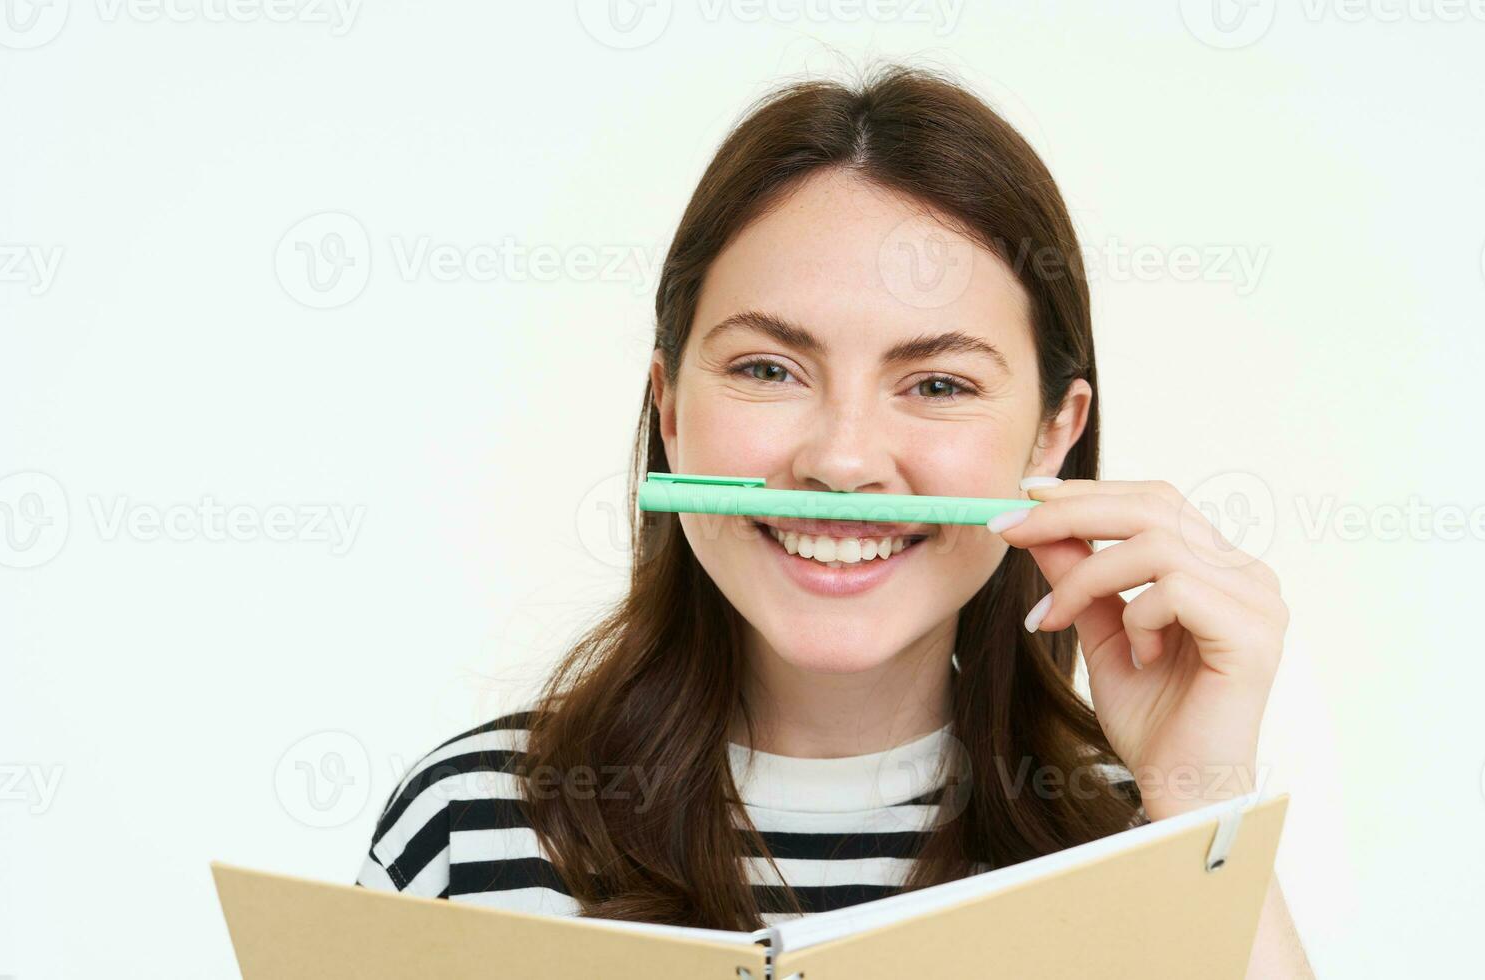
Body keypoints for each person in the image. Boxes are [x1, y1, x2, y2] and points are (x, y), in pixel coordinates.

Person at [359, 65, 1309, 975]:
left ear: (1051, 436)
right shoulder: (470, 822)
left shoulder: (1146, 848)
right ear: (671, 411)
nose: (844, 462)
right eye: (768, 369)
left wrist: (1201, 801)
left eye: (939, 383)